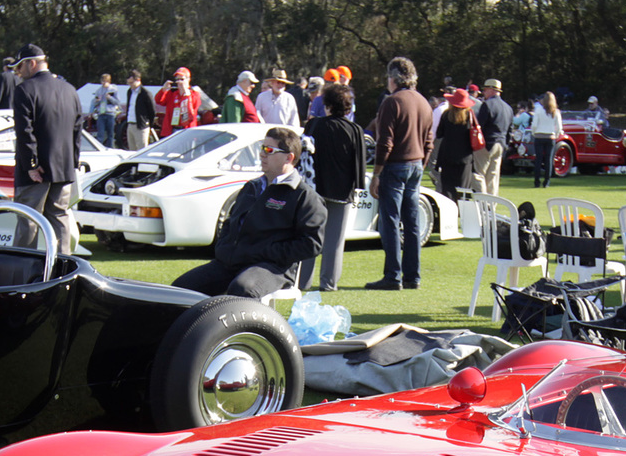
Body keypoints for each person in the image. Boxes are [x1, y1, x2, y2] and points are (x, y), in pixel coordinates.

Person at [172, 127, 325, 298]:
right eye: (262, 148)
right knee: (180, 289)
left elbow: (312, 244)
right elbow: (231, 222)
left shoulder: (304, 196)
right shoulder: (252, 187)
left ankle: (244, 326)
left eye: (269, 150)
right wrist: (225, 247)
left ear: (289, 158)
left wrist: (267, 251)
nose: (262, 154)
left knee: (243, 289)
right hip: (230, 262)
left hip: (272, 267)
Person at [366, 56, 432, 291]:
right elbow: (428, 141)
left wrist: (376, 173)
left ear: (393, 78)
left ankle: (393, 275)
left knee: (390, 221)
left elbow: (385, 142)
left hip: (395, 166)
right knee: (412, 223)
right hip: (416, 164)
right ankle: (412, 276)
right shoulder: (424, 102)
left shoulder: (391, 102)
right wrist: (422, 163)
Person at [9, 43, 83, 250]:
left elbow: (25, 131)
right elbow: (77, 130)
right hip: (64, 168)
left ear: (32, 64)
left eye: (19, 66)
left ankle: (24, 270)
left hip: (37, 171)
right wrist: (72, 163)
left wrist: (31, 164)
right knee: (59, 217)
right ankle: (63, 269)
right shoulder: (69, 90)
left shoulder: (25, 90)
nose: (17, 71)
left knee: (28, 220)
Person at [307, 84, 366, 291]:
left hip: (315, 188)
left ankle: (303, 281)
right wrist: (358, 187)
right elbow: (359, 163)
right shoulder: (355, 130)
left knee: (310, 236)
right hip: (342, 191)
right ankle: (329, 283)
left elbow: (305, 157)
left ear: (328, 105)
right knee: (335, 241)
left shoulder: (314, 126)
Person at [433, 88, 475, 201]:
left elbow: (439, 134)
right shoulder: (470, 116)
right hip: (465, 157)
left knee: (447, 190)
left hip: (447, 156)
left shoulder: (446, 115)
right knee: (463, 191)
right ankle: (463, 213)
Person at [473, 77, 513, 196]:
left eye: (485, 90)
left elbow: (480, 126)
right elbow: (510, 130)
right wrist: (506, 145)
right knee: (493, 177)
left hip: (487, 143)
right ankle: (491, 206)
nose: (484, 93)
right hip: (501, 144)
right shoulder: (508, 108)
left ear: (490, 90)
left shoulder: (487, 105)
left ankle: (482, 202)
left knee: (478, 174)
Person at [155, 67, 202, 138]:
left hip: (187, 130)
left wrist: (186, 93)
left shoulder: (194, 94)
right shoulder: (172, 93)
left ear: (188, 79)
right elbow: (159, 101)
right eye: (177, 79)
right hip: (172, 129)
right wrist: (163, 89)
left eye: (182, 79)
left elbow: (194, 105)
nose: (179, 82)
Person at [529, 91, 562, 188]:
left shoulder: (538, 110)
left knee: (538, 159)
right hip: (550, 137)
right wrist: (556, 135)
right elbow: (559, 127)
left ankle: (536, 181)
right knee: (548, 160)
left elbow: (534, 124)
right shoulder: (556, 111)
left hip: (539, 136)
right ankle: (546, 182)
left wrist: (534, 133)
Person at [124, 70, 156, 150]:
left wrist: (148, 124)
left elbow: (152, 111)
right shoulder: (129, 92)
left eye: (131, 83)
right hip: (130, 124)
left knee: (142, 150)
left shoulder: (145, 93)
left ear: (138, 80)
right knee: (132, 150)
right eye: (128, 83)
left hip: (141, 126)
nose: (130, 85)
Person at [90, 73, 119, 145]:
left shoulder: (114, 90)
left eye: (105, 81)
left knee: (110, 134)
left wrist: (110, 98)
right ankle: (100, 148)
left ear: (109, 81)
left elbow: (117, 102)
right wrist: (96, 100)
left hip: (110, 114)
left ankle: (110, 148)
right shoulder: (99, 90)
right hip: (101, 113)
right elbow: (93, 102)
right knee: (100, 134)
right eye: (102, 81)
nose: (103, 83)